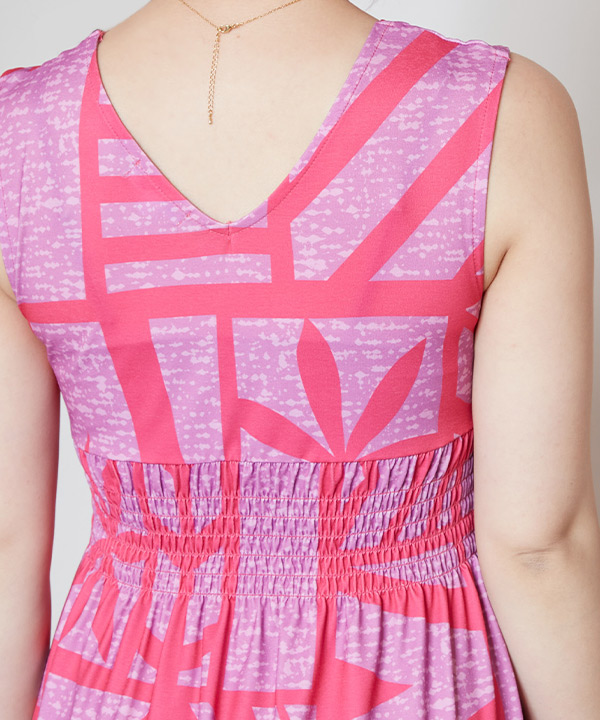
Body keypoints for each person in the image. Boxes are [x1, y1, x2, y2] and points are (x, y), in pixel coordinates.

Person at [0, 0, 598, 718]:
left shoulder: (18, 132)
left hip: (121, 684)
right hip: (405, 682)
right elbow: (540, 548)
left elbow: (7, 545)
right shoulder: (497, 111)